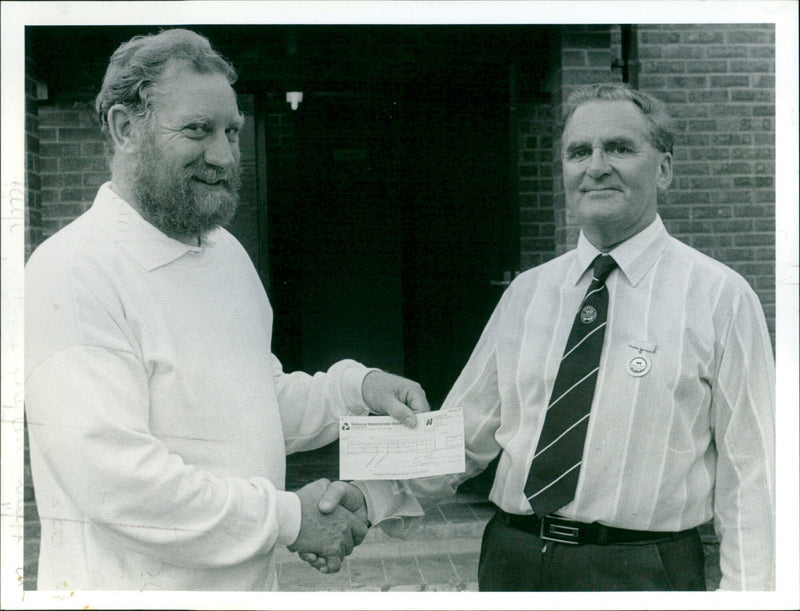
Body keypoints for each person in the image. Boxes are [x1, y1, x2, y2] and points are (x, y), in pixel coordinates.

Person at [305, 83, 775, 591]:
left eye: (618, 147)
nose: (595, 166)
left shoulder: (720, 297)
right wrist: (368, 497)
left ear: (663, 169)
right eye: (578, 152)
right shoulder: (528, 294)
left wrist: (749, 595)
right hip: (514, 560)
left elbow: (753, 472)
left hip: (643, 572)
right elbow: (464, 435)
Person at [24, 28, 429, 591]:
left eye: (232, 132)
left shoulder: (224, 253)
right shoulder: (71, 271)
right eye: (198, 130)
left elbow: (252, 401)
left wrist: (355, 391)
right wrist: (291, 518)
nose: (223, 156)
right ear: (125, 129)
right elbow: (118, 481)